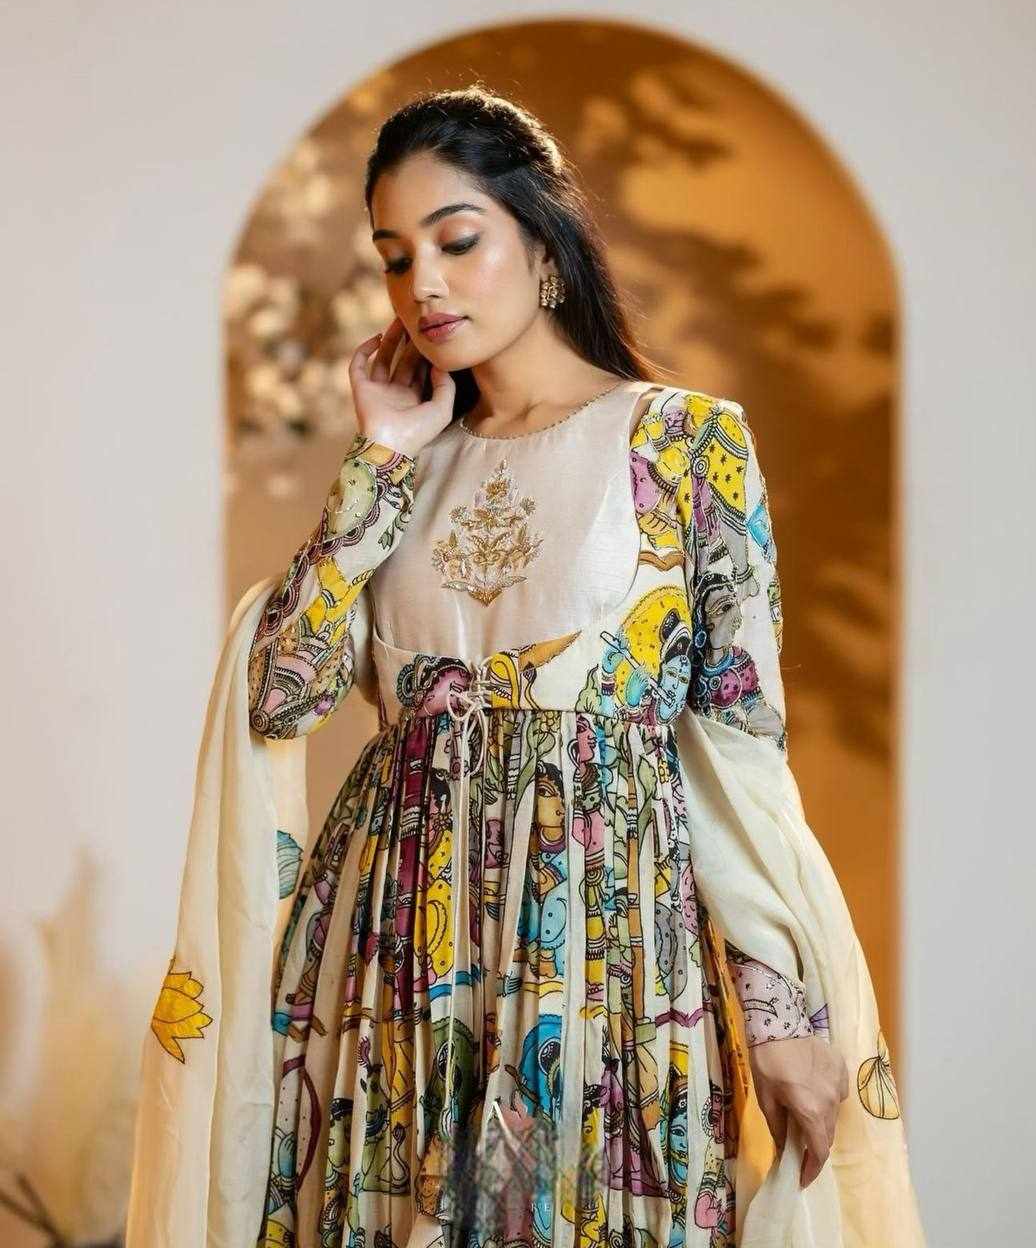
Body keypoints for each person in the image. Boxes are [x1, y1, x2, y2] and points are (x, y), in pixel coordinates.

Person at [126, 86, 926, 1248]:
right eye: (395, 258)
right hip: (399, 955)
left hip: (607, 955)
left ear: (544, 246)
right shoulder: (401, 470)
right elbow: (281, 692)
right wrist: (378, 458)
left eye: (457, 240)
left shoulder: (683, 440)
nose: (424, 284)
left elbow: (738, 742)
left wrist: (779, 1010)